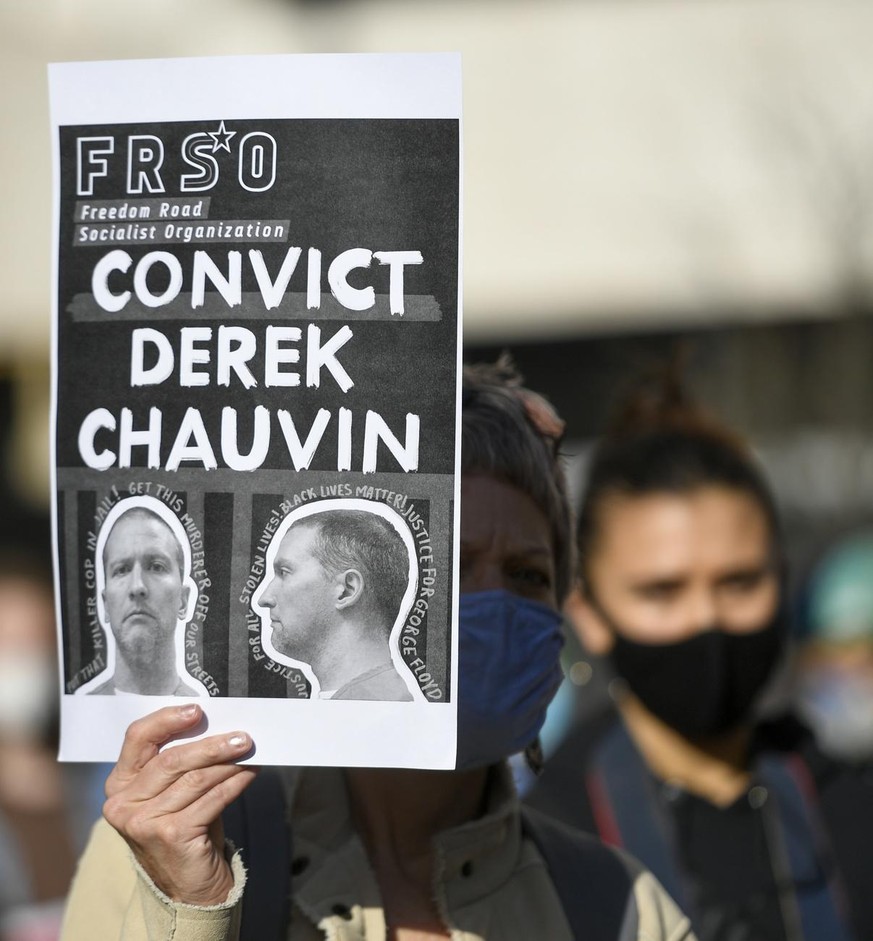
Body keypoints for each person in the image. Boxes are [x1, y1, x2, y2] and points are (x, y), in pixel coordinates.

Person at [61, 360, 694, 941]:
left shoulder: (621, 908)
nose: (495, 606)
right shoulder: (166, 847)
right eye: (458, 567)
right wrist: (189, 910)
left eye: (529, 575)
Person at [526, 370, 873, 941]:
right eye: (662, 591)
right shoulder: (544, 842)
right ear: (587, 609)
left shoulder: (849, 812)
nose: (706, 620)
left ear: (782, 583)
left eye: (739, 583)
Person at [253, 507, 414, 701]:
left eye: (285, 572)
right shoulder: (380, 707)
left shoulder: (368, 718)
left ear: (346, 590)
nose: (263, 599)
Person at [86, 501, 200, 696]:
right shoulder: (78, 714)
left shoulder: (216, 712)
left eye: (156, 566)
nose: (137, 586)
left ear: (183, 600)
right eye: (121, 570)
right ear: (105, 604)